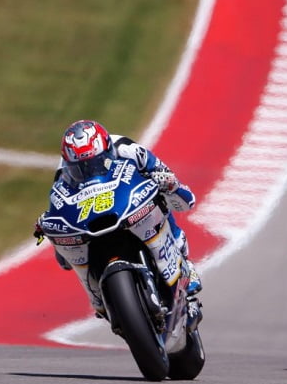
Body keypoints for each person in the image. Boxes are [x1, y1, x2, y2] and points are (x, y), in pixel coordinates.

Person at [34, 119, 202, 316]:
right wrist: (47, 226)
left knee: (160, 198)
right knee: (63, 258)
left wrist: (168, 183)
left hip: (127, 200)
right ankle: (99, 295)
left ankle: (184, 262)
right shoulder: (63, 171)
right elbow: (57, 204)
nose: (89, 170)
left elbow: (174, 186)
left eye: (95, 163)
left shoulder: (130, 150)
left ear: (108, 150)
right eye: (81, 168)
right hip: (91, 212)